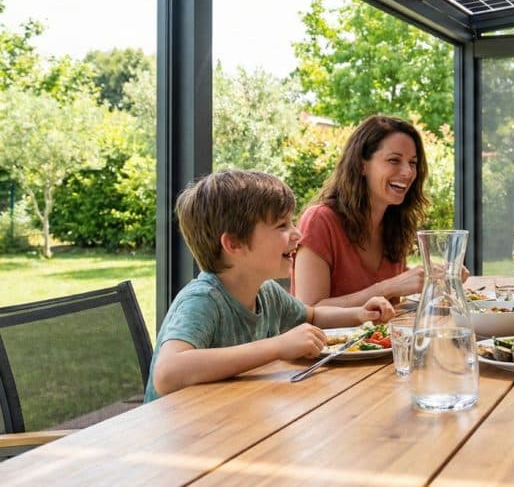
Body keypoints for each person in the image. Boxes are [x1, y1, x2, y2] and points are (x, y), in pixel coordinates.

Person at [145, 170, 394, 401]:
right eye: (282, 226)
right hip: (180, 436)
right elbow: (167, 374)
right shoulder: (204, 300)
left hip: (230, 415)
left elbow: (314, 315)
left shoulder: (266, 292)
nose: (298, 234)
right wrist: (277, 346)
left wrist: (359, 314)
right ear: (234, 244)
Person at [291, 115, 431, 307]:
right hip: (328, 338)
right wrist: (389, 287)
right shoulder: (320, 220)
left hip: (385, 337)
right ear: (361, 165)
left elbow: (388, 302)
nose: (408, 172)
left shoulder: (395, 222)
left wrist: (432, 278)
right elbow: (308, 310)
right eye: (394, 160)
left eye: (412, 163)